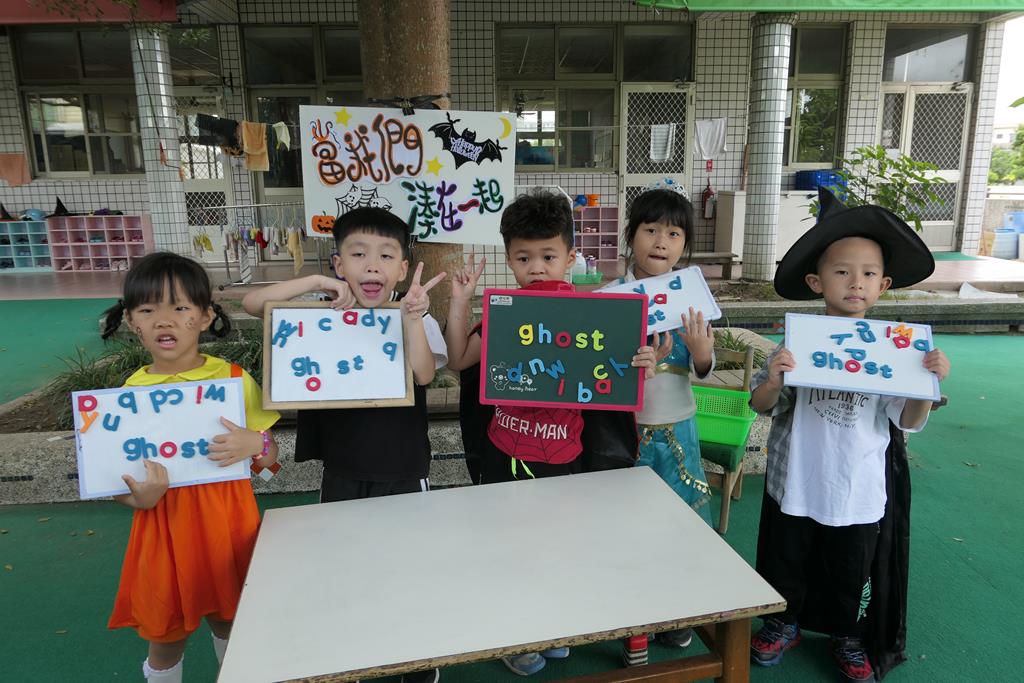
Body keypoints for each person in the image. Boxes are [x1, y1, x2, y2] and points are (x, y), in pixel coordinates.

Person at [446, 188, 658, 677]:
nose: (537, 268)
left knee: (561, 547)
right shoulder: (503, 314)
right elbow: (459, 359)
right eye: (524, 258)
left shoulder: (595, 315)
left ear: (570, 256)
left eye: (548, 256)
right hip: (504, 451)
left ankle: (552, 626)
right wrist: (459, 303)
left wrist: (643, 362)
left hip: (566, 457)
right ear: (509, 260)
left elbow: (617, 381)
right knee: (508, 546)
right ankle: (515, 633)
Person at [748, 188, 950, 681]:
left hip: (858, 486)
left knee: (851, 566)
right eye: (842, 271)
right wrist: (773, 379)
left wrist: (926, 383)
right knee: (787, 556)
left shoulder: (895, 350)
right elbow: (760, 404)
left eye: (868, 274)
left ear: (884, 284)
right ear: (816, 282)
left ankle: (847, 634)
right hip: (796, 479)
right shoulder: (797, 342)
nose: (856, 282)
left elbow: (907, 419)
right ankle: (783, 621)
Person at [242, 208, 447, 683]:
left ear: (402, 268)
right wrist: (315, 281)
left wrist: (413, 318)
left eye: (386, 256)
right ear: (339, 264)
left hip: (402, 468)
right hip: (342, 469)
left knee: (407, 566)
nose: (371, 265)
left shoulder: (413, 314)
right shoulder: (320, 310)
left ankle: (418, 659)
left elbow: (423, 374)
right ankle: (353, 651)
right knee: (344, 566)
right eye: (357, 254)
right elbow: (253, 303)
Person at [102, 252, 281, 683]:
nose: (164, 321)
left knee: (232, 622)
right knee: (165, 635)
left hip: (228, 525)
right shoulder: (127, 395)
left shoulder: (233, 379)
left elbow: (270, 463)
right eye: (148, 310)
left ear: (205, 317)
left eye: (180, 308)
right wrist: (137, 498)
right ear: (132, 321)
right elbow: (118, 483)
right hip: (162, 530)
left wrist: (257, 443)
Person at [598, 183, 716, 664]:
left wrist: (702, 350)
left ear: (685, 244)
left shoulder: (693, 298)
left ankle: (677, 611)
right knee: (628, 526)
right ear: (631, 236)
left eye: (673, 233)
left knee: (680, 523)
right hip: (624, 433)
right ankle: (635, 624)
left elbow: (703, 368)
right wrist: (628, 369)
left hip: (679, 426)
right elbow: (595, 373)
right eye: (650, 230)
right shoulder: (610, 298)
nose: (661, 242)